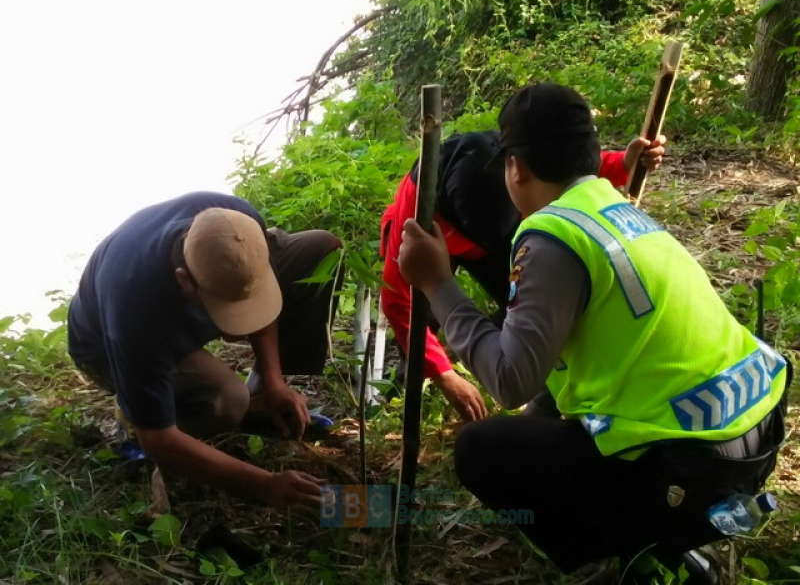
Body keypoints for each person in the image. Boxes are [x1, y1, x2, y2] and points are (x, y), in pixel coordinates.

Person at [398, 83, 790, 582]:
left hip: (691, 473)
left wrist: (438, 284)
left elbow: (509, 379)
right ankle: (665, 536)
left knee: (481, 449)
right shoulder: (611, 205)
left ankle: (635, 559)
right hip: (754, 438)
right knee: (545, 406)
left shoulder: (549, 236)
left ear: (514, 167)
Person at [68, 191, 341, 510]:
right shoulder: (134, 309)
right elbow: (160, 440)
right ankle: (131, 420)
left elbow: (252, 280)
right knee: (227, 401)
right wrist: (264, 485)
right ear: (185, 282)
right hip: (101, 347)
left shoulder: (235, 224)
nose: (239, 325)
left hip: (171, 303)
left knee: (320, 249)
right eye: (226, 308)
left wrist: (273, 380)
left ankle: (261, 399)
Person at [380, 126, 666, 422]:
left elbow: (566, 176)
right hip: (447, 234)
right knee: (422, 313)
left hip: (495, 236)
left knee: (527, 297)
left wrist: (622, 164)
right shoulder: (414, 221)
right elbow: (397, 302)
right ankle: (410, 381)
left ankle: (543, 380)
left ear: (515, 174)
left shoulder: (518, 161)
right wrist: (445, 375)